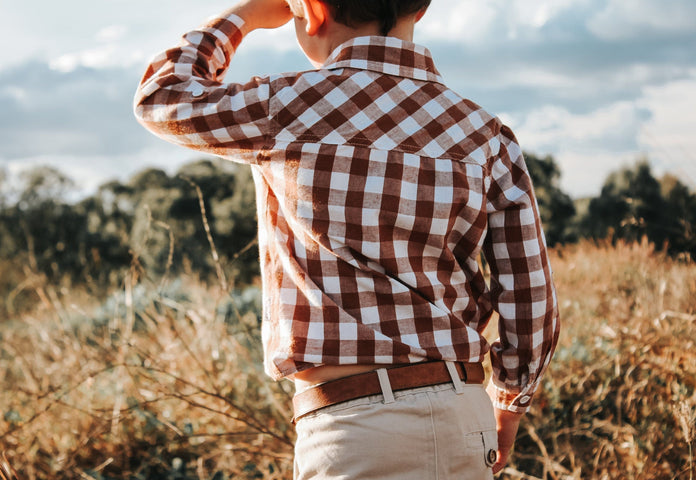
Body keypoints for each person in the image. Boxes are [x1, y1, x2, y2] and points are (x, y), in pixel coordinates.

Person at [134, 0, 560, 478]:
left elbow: (162, 95)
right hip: (463, 411)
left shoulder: (286, 106)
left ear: (312, 10)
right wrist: (509, 404)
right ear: (420, 10)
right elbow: (530, 294)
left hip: (351, 425)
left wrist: (247, 15)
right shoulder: (485, 134)